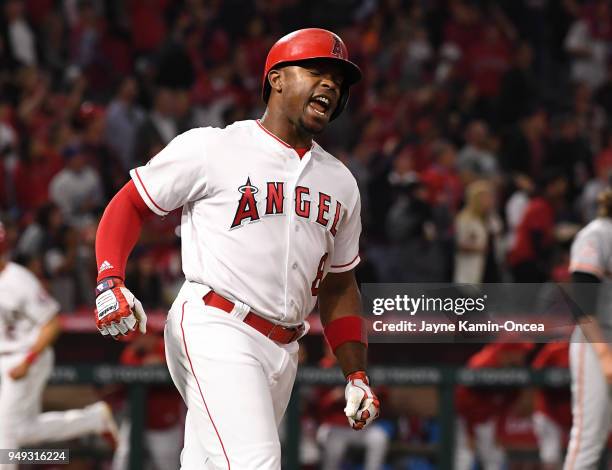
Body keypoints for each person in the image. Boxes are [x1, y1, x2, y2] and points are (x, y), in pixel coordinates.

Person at [93, 28, 380, 469]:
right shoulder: (215, 147)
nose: (330, 85)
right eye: (316, 71)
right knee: (255, 462)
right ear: (277, 79)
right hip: (216, 323)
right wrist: (110, 278)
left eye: (338, 81)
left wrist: (355, 372)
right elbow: (129, 204)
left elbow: (341, 284)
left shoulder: (341, 182)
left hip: (284, 350)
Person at [0, 221, 118, 470]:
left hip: (26, 356)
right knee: (21, 430)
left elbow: (53, 323)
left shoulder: (19, 280)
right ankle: (93, 419)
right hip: (6, 357)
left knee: (5, 437)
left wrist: (28, 360)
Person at [564, 188, 612, 469]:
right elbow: (581, 298)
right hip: (596, 338)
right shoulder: (597, 233)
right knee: (589, 437)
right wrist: (604, 355)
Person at [531, 342, 571, 470]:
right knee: (551, 456)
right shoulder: (555, 349)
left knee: (584, 454)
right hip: (549, 411)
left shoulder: (596, 349)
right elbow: (534, 375)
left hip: (577, 413)